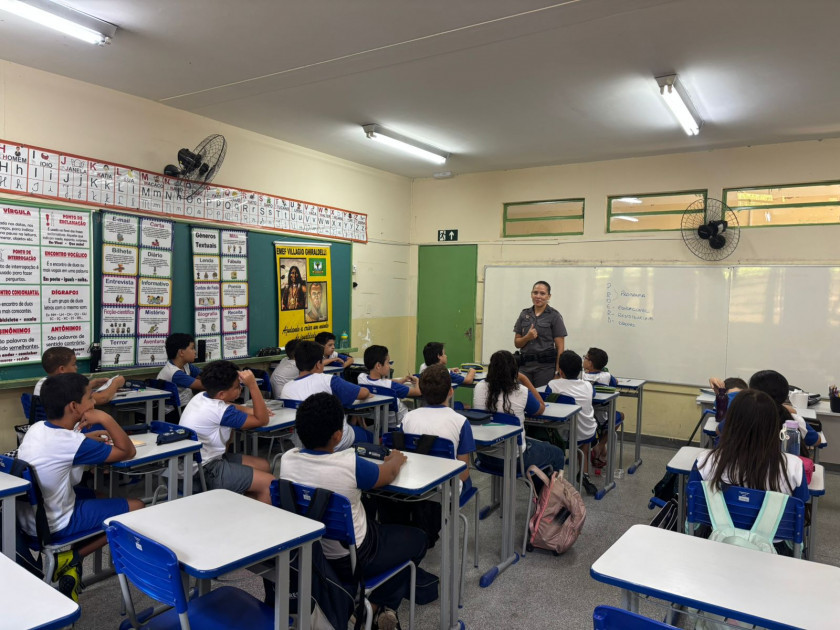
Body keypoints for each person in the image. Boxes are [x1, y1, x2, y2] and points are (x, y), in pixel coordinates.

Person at [280, 393, 424, 630]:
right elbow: (388, 474)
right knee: (418, 539)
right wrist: (396, 458)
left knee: (368, 512)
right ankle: (375, 606)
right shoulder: (349, 464)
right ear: (338, 436)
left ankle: (367, 604)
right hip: (354, 557)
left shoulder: (287, 460)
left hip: (312, 552)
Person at [17, 373, 143, 600]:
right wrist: (105, 418)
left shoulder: (37, 428)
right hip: (54, 524)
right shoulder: (71, 443)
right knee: (138, 507)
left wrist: (84, 438)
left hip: (29, 520)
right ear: (74, 407)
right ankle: (75, 556)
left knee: (101, 496)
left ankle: (74, 556)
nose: (93, 403)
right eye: (90, 398)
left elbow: (65, 446)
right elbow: (128, 451)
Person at [689, 389, 809, 555]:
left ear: (729, 422)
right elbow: (801, 515)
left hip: (717, 545)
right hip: (775, 553)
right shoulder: (794, 466)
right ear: (774, 425)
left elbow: (693, 507)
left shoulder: (705, 461)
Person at [179, 361, 275, 503]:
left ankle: (247, 507)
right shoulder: (220, 411)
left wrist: (249, 410)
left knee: (263, 466)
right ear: (222, 394)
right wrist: (252, 385)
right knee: (269, 483)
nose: (240, 389)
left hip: (198, 463)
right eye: (237, 387)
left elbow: (227, 404)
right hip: (203, 471)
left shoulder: (201, 397)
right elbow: (262, 420)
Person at [472, 350, 565, 478]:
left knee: (532, 444)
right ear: (514, 370)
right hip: (514, 460)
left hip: (483, 456)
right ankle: (546, 490)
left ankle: (538, 486)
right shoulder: (521, 391)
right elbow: (541, 408)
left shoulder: (479, 386)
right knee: (557, 452)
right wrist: (524, 379)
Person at [281, 340, 372, 449]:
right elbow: (363, 394)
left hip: (303, 443)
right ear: (318, 364)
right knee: (370, 436)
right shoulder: (329, 381)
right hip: (335, 442)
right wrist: (368, 392)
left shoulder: (286, 388)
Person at [401, 364, 475, 494]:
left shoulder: (408, 418)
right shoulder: (461, 422)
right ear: (451, 391)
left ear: (421, 392)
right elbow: (463, 474)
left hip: (414, 483)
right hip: (447, 490)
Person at [546, 350, 598, 495]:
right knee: (584, 444)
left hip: (562, 436)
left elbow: (547, 399)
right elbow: (593, 395)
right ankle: (584, 474)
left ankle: (555, 476)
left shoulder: (553, 384)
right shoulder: (588, 385)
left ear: (561, 371)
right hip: (586, 433)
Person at [513, 280, 568, 387]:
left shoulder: (554, 316)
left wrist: (558, 372)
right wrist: (527, 337)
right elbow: (517, 343)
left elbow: (560, 347)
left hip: (545, 368)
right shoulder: (524, 314)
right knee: (523, 395)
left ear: (548, 296)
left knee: (541, 396)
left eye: (542, 293)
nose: (538, 296)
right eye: (535, 293)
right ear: (531, 294)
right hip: (525, 367)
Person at [34, 346, 125, 406]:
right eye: (73, 364)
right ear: (62, 369)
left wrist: (92, 383)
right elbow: (103, 398)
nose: (76, 367)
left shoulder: (42, 383)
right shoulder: (65, 387)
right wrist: (115, 383)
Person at [358, 345, 420, 429]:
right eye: (388, 363)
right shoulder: (391, 386)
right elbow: (417, 392)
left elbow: (380, 382)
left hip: (380, 419)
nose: (389, 366)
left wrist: (401, 380)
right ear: (378, 365)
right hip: (400, 419)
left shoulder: (361, 378)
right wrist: (417, 381)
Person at [582, 347, 624, 470]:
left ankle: (595, 448)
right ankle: (600, 445)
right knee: (620, 416)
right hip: (602, 418)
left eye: (585, 357)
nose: (584, 359)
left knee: (599, 425)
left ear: (590, 363)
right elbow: (615, 383)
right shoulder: (606, 376)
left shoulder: (581, 377)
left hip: (585, 417)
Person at [157, 333, 203, 411]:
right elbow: (204, 385)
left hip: (186, 406)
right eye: (192, 348)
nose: (195, 352)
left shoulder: (186, 365)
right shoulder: (174, 373)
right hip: (174, 412)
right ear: (181, 352)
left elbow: (204, 375)